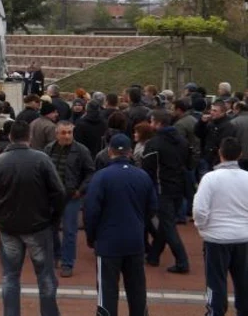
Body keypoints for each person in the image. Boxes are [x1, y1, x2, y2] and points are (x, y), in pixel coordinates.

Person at [0, 119, 66, 316]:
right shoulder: (42, 159)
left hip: (9, 226)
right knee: (45, 276)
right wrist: (53, 217)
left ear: (10, 136)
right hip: (38, 225)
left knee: (10, 276)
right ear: (29, 136)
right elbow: (59, 192)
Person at [84, 133, 158, 316]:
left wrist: (92, 237)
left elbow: (91, 211)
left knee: (107, 294)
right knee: (137, 292)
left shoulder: (101, 177)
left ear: (110, 152)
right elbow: (153, 208)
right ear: (130, 152)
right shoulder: (142, 176)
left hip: (108, 242)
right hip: (135, 240)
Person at [193, 137, 248, 316]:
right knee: (243, 280)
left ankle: (215, 312)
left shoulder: (210, 178)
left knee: (215, 282)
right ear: (240, 154)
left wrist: (203, 228)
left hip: (216, 238)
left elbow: (200, 210)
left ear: (220, 153)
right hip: (243, 237)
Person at [142, 109, 192, 273]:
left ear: (157, 123)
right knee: (165, 224)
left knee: (168, 226)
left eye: (151, 121)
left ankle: (182, 261)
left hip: (162, 188)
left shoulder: (154, 144)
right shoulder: (182, 141)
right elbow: (188, 163)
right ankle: (154, 256)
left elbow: (147, 168)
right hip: (179, 187)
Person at [43, 121, 95, 278]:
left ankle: (67, 263)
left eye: (69, 132)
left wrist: (80, 190)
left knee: (69, 231)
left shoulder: (81, 150)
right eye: (63, 132)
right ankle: (56, 255)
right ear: (57, 134)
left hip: (72, 196)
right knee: (50, 229)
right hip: (52, 196)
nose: (67, 136)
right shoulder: (48, 149)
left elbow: (90, 172)